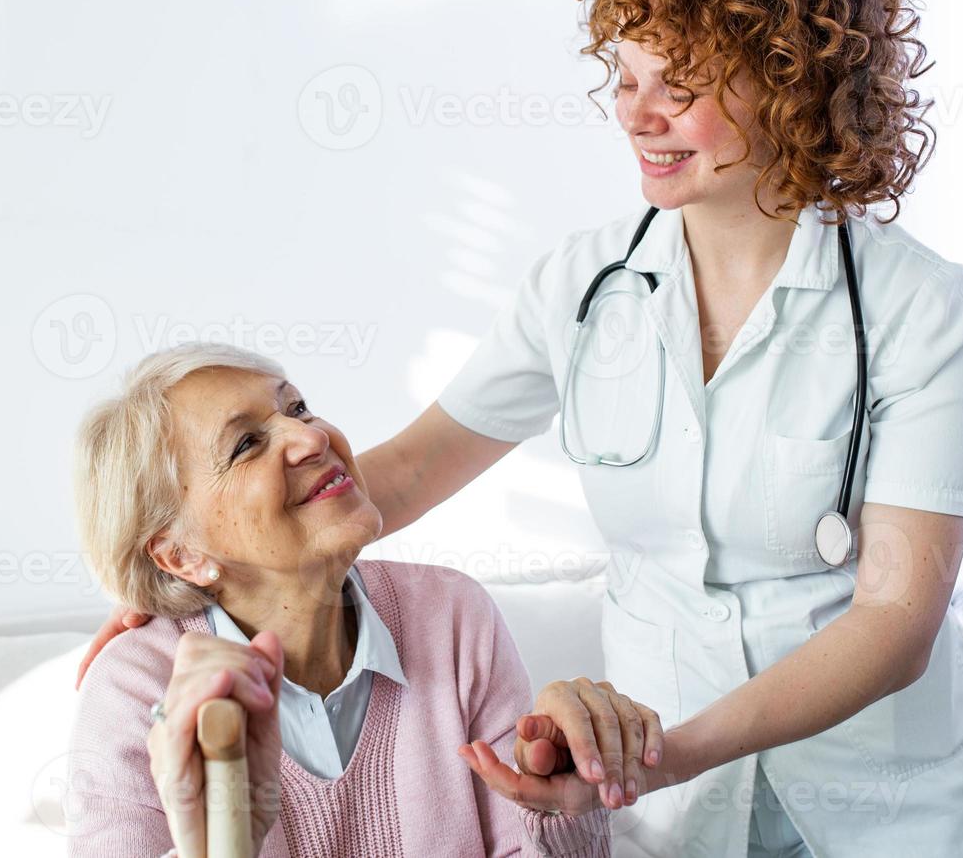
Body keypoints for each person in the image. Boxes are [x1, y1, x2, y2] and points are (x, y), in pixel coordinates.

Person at [79, 0, 963, 854]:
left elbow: (896, 616)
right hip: (683, 823)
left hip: (894, 810)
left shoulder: (916, 308)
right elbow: (409, 471)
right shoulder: (582, 289)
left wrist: (675, 747)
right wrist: (191, 566)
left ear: (790, 78)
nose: (640, 114)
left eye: (682, 83)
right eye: (624, 77)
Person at [67, 343, 666, 857]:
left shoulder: (452, 615)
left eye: (297, 407)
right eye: (247, 444)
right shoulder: (135, 691)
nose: (311, 436)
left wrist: (566, 799)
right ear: (180, 556)